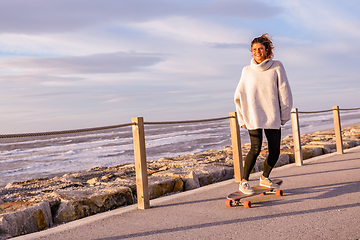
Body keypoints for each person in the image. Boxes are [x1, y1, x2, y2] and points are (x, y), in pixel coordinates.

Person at [234, 33, 293, 194]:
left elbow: (284, 91)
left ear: (267, 50)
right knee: (255, 148)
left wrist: (285, 114)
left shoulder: (277, 66)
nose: (257, 52)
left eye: (260, 48)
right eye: (254, 49)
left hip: (272, 114)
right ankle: (244, 181)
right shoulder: (246, 71)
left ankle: (265, 177)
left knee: (275, 151)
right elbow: (238, 96)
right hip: (253, 116)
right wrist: (241, 119)